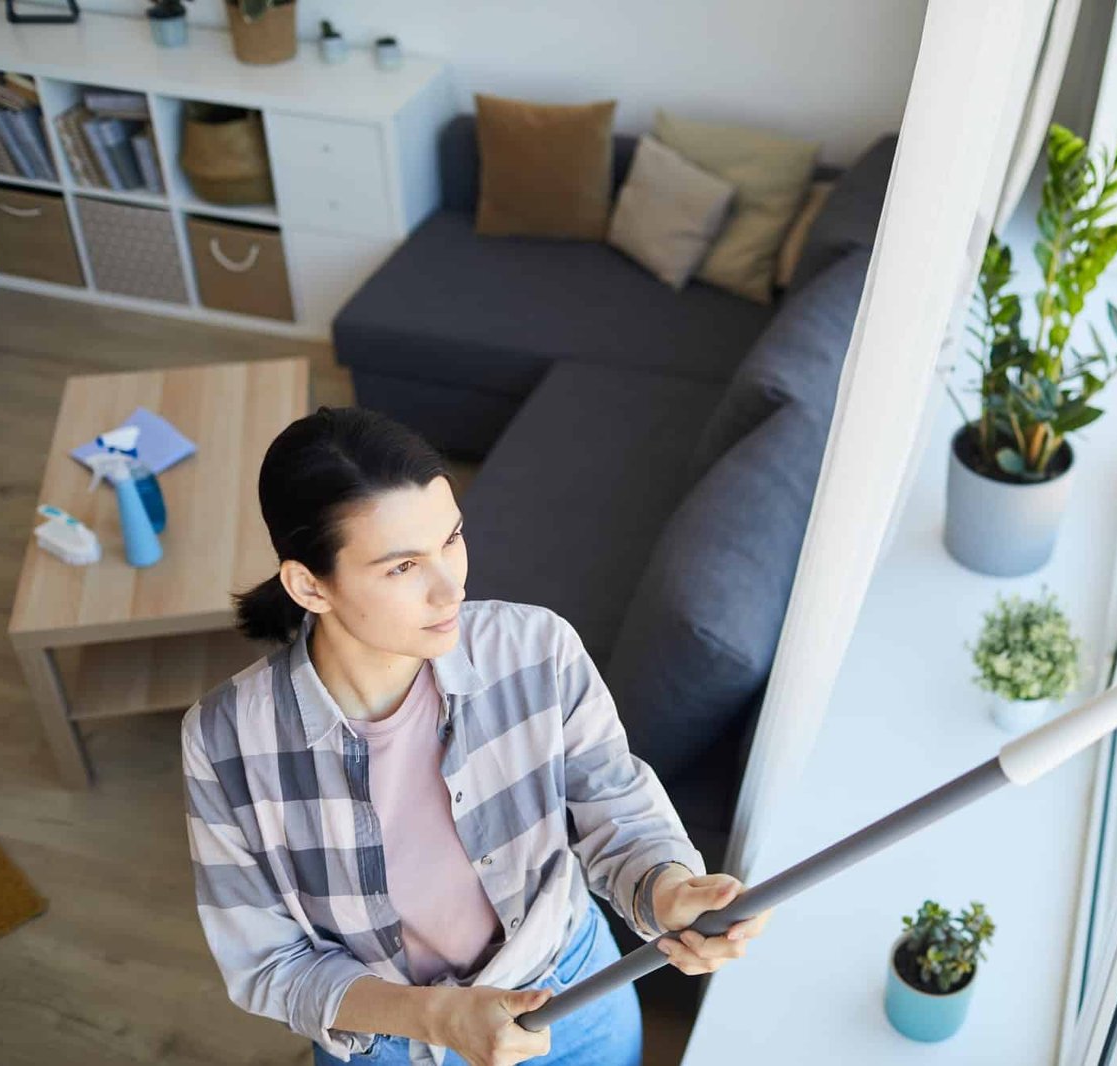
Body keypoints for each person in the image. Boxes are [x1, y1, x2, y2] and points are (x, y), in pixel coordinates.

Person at [180, 405, 771, 1066]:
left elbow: (616, 812)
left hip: (574, 994)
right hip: (392, 1041)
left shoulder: (536, 650)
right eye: (402, 568)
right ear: (308, 585)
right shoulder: (226, 742)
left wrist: (670, 892)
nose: (450, 588)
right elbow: (267, 964)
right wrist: (437, 1019)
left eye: (452, 539)